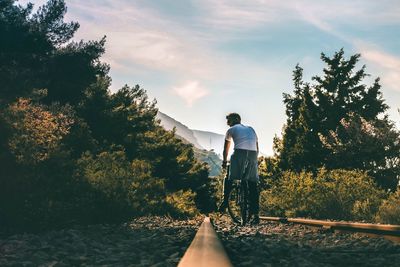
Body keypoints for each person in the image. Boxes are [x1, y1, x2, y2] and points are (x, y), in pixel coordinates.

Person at [219, 112, 260, 224]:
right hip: (253, 155)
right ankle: (256, 215)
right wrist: (254, 160)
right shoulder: (251, 129)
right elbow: (257, 147)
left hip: (239, 154)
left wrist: (224, 161)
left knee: (229, 176)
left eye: (229, 120)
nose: (228, 123)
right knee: (252, 184)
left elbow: (225, 149)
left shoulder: (230, 130)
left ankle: (224, 202)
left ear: (236, 119)